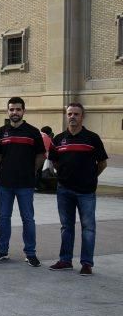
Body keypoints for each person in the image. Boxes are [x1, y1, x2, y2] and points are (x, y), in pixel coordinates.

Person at [48, 103, 108, 276]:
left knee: (88, 227)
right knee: (66, 226)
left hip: (86, 191)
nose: (72, 117)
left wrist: (90, 176)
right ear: (66, 116)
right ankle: (65, 260)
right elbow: (54, 162)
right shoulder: (58, 139)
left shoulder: (92, 138)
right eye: (69, 114)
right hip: (64, 190)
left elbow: (102, 163)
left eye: (76, 114)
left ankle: (87, 263)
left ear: (83, 116)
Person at [0, 97, 45, 266]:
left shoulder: (33, 132)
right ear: (8, 111)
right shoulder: (0, 133)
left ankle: (30, 253)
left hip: (25, 184)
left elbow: (41, 155)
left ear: (23, 111)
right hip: (4, 184)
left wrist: (31, 171)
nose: (15, 113)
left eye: (18, 109)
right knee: (4, 217)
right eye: (11, 109)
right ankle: (2, 250)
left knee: (28, 219)